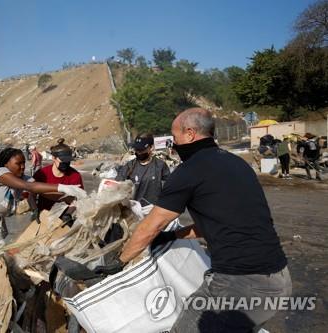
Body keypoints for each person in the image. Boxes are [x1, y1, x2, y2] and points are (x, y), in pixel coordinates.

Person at [96, 108, 291, 332]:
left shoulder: (189, 171)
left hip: (240, 285)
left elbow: (152, 225)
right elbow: (216, 224)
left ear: (189, 133)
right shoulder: (238, 164)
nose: (173, 144)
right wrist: (172, 236)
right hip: (279, 280)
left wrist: (119, 262)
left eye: (175, 137)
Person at [0, 148, 87, 267]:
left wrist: (71, 198)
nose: (22, 167)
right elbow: (30, 187)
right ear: (6, 164)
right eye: (18, 163)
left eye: (23, 163)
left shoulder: (23, 178)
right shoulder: (1, 173)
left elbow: (42, 191)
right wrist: (62, 187)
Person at [116, 133, 170, 211]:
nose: (138, 152)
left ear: (151, 147)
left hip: (154, 210)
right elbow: (117, 184)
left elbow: (169, 187)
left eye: (142, 150)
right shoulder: (129, 166)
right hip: (134, 210)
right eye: (137, 149)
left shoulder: (160, 165)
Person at [32, 139, 84, 213]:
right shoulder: (41, 173)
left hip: (65, 216)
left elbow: (78, 199)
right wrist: (34, 209)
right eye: (63, 160)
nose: (66, 163)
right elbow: (31, 195)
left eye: (68, 161)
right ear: (53, 158)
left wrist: (68, 214)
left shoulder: (75, 176)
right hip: (43, 215)